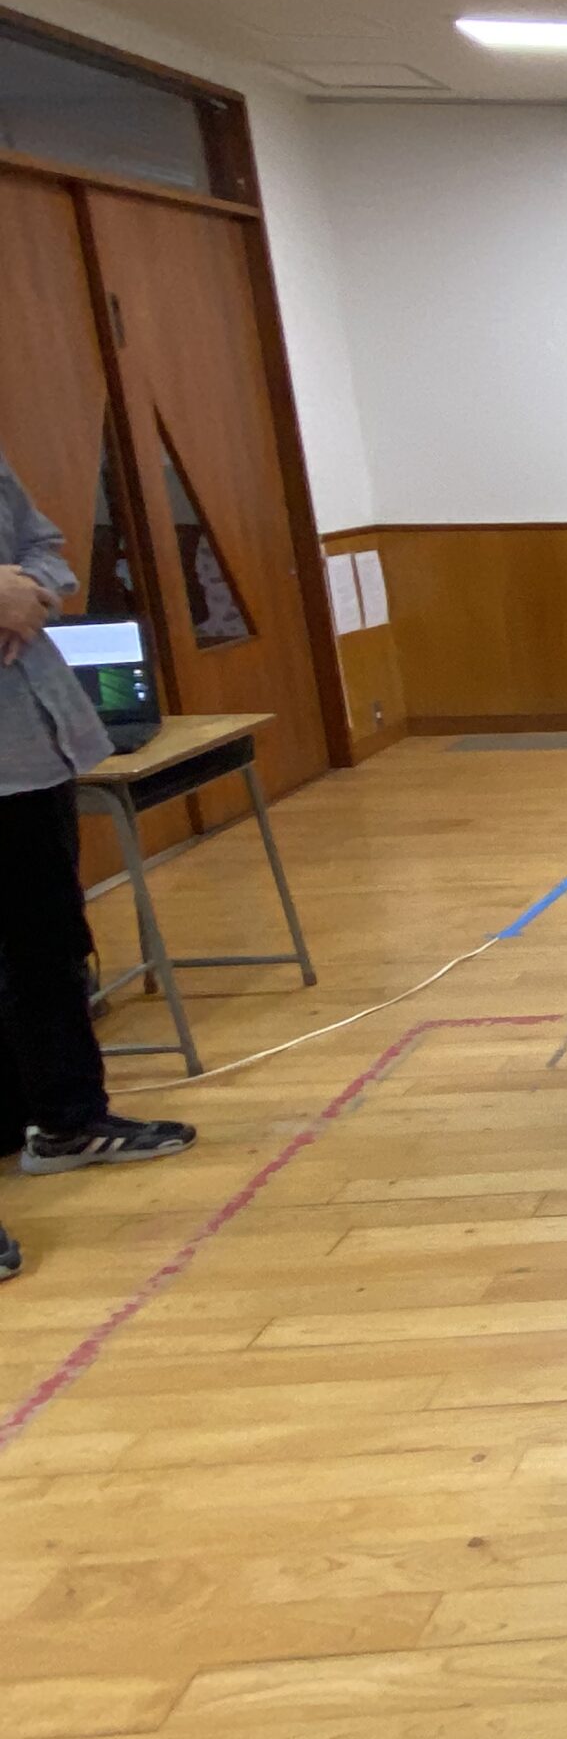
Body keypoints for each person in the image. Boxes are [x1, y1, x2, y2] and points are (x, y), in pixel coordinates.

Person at [0, 446, 194, 1276]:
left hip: (32, 745)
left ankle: (66, 1120)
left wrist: (29, 592)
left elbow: (44, 545)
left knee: (49, 943)